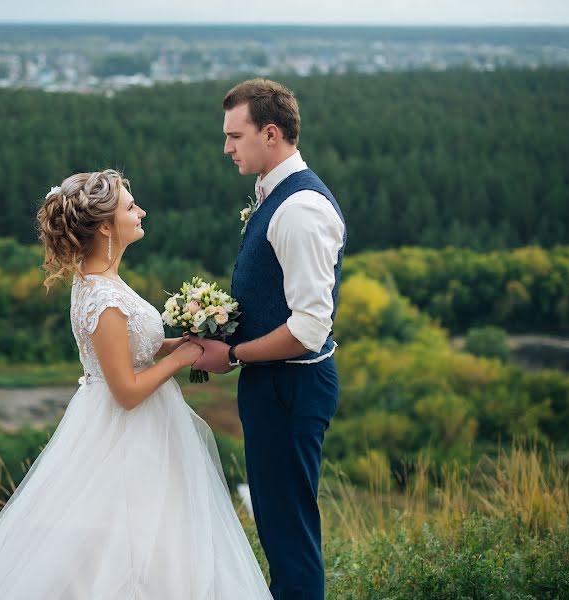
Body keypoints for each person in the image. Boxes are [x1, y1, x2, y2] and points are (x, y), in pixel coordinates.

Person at [0, 169, 272, 599]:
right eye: (129, 206)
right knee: (127, 541)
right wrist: (183, 357)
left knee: (161, 537)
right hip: (125, 433)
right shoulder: (101, 297)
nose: (141, 211)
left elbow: (131, 350)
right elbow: (127, 392)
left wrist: (186, 338)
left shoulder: (104, 281)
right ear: (104, 225)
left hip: (146, 428)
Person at [188, 79, 347, 599]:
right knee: (279, 529)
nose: (226, 147)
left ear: (271, 133)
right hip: (274, 386)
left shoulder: (301, 210)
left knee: (289, 534)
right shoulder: (273, 196)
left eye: (236, 135)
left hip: (291, 388)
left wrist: (230, 354)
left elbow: (308, 329)